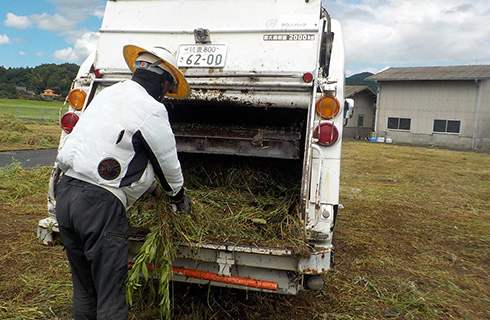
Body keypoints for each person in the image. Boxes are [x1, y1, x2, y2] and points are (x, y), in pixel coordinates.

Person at [55, 45, 191, 319]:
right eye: (168, 88)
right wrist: (178, 197)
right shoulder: (151, 109)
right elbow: (166, 161)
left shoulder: (108, 94)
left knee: (84, 290)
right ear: (163, 83)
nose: (165, 94)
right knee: (111, 296)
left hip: (65, 193)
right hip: (99, 205)